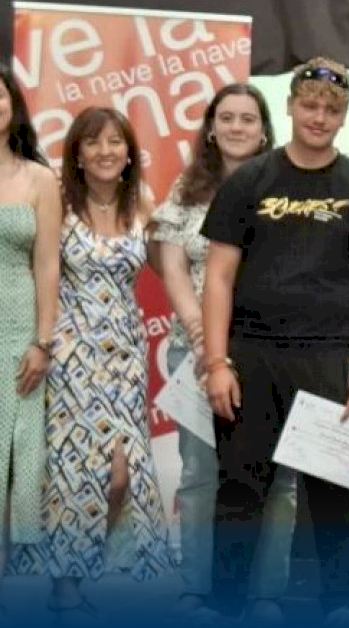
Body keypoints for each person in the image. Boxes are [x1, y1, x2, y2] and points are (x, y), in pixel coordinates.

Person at [201, 57, 349, 625]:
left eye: (330, 110)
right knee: (240, 489)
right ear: (289, 107)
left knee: (333, 493)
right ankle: (226, 607)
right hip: (250, 357)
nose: (318, 117)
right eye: (309, 105)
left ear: (344, 116)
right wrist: (217, 362)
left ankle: (339, 606)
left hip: (331, 359)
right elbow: (218, 276)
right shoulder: (248, 182)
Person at [8, 107, 170, 620]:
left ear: (129, 153)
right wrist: (40, 339)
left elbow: (171, 269)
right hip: (70, 351)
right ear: (77, 154)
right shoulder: (60, 199)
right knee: (72, 470)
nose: (105, 152)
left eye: (115, 142)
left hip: (124, 352)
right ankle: (65, 583)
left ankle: (79, 569)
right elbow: (39, 267)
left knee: (121, 473)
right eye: (93, 143)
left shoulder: (142, 203)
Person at [148, 82, 298, 622]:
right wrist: (201, 336)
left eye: (247, 118)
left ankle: (265, 593)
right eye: (227, 117)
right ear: (211, 127)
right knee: (199, 474)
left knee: (279, 477)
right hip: (194, 354)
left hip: (269, 352)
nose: (236, 127)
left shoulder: (287, 190)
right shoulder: (187, 189)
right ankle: (198, 587)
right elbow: (171, 263)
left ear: (264, 130)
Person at [0, 61, 62, 619]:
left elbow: (47, 266)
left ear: (13, 105)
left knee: (19, 453)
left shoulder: (40, 179)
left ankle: (16, 585)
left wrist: (43, 342)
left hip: (19, 332)